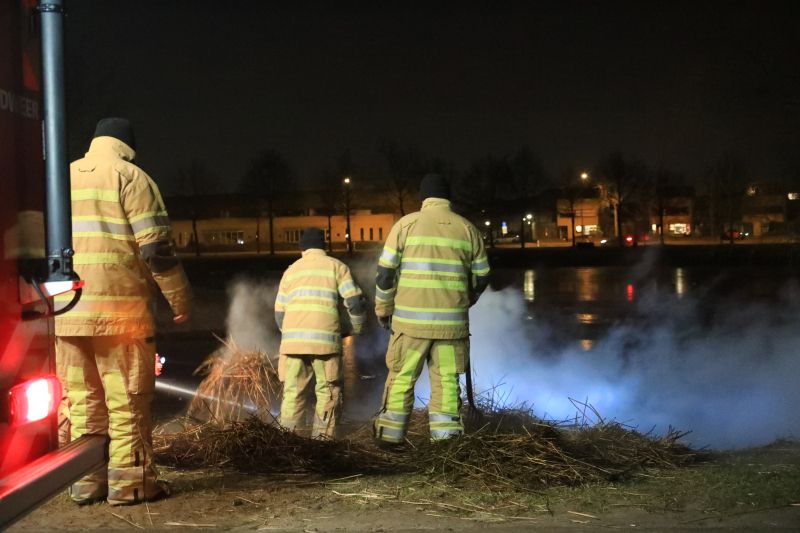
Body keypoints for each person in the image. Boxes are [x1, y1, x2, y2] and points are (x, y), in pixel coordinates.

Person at [55, 118, 191, 505]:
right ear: (128, 145)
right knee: (127, 402)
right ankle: (131, 485)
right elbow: (155, 251)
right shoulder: (131, 177)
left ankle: (85, 482)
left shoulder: (60, 178)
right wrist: (180, 302)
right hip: (119, 318)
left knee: (82, 403)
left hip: (64, 313)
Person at [373, 173, 490, 444]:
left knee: (401, 379)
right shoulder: (468, 229)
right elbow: (482, 275)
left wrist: (383, 309)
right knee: (447, 383)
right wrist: (469, 298)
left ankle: (390, 441)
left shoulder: (405, 225)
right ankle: (446, 443)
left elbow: (385, 275)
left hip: (410, 326)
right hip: (452, 327)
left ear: (423, 198)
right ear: (448, 197)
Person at [274, 228, 365, 438]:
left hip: (293, 345)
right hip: (326, 345)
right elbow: (354, 302)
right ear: (323, 246)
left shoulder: (291, 271)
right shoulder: (337, 267)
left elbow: (279, 314)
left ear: (302, 249)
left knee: (293, 394)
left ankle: (289, 443)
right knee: (328, 393)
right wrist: (357, 328)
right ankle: (323, 445)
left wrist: (291, 337)